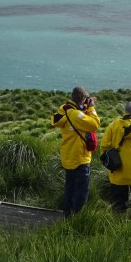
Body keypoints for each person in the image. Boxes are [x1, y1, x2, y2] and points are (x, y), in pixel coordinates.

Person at [51, 86, 101, 217]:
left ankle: (67, 215)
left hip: (68, 155)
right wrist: (91, 108)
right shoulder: (74, 114)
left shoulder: (65, 110)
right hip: (79, 157)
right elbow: (94, 124)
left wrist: (84, 106)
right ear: (82, 99)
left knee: (70, 188)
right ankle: (76, 217)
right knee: (81, 190)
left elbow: (77, 114)